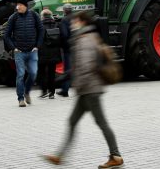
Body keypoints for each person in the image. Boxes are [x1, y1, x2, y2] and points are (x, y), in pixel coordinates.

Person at [43, 11, 124, 168]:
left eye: (75, 21)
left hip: (90, 90)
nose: (72, 24)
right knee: (73, 121)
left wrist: (76, 83)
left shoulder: (85, 40)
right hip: (87, 89)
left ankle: (116, 156)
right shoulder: (87, 37)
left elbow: (86, 67)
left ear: (82, 22)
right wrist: (68, 77)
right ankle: (59, 156)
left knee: (101, 122)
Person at [4, 0, 43, 107]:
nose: (18, 7)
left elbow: (41, 30)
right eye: (17, 5)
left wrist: (37, 46)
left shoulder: (34, 16)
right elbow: (6, 35)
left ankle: (27, 92)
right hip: (19, 52)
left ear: (25, 6)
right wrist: (13, 48)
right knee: (20, 74)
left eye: (20, 5)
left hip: (32, 51)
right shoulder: (13, 18)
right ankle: (21, 98)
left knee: (33, 73)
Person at [38, 8, 61, 99]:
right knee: (52, 73)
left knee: (42, 73)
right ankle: (52, 93)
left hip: (42, 54)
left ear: (42, 16)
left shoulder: (40, 26)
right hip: (54, 54)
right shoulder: (57, 25)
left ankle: (44, 92)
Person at [57, 3, 73, 97]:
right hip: (77, 46)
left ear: (65, 10)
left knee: (67, 68)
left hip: (68, 48)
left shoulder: (64, 20)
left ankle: (65, 90)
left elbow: (65, 34)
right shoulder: (76, 18)